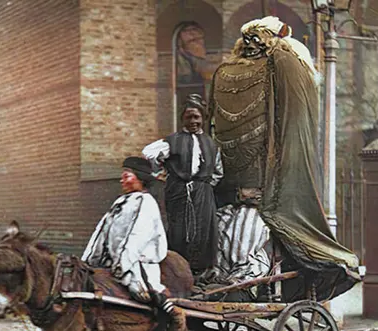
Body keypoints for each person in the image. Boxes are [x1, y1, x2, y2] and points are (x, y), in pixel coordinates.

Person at [203, 16, 359, 301]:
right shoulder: (286, 59)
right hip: (266, 189)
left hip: (231, 191)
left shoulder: (227, 70)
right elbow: (295, 128)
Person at [142, 93, 223, 273]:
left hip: (203, 192)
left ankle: (201, 272)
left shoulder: (211, 144)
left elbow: (218, 171)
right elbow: (148, 153)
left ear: (203, 118)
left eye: (196, 117)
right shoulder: (173, 141)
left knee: (203, 231)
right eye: (188, 117)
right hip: (178, 191)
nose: (193, 121)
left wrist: (205, 185)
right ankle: (177, 270)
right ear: (182, 119)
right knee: (180, 230)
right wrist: (161, 173)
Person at [82, 157, 174, 314]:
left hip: (136, 265)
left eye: (126, 176)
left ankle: (168, 311)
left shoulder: (146, 203)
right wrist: (87, 262)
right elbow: (100, 233)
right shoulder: (120, 202)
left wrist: (121, 266)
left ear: (140, 178)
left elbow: (137, 237)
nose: (121, 180)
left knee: (141, 293)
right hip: (111, 264)